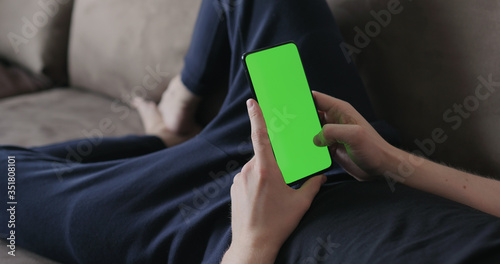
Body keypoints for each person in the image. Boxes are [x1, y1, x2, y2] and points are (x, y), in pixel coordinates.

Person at [1, 0, 499, 263]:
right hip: (336, 157)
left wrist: (252, 243)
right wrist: (393, 161)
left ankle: (165, 145)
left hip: (216, 232)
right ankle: (179, 109)